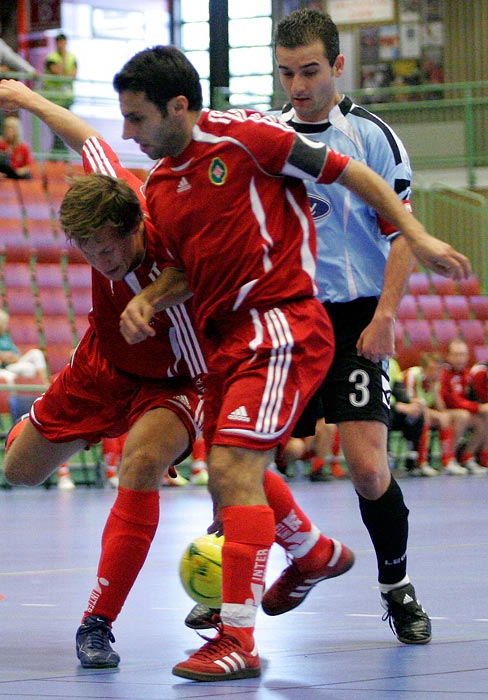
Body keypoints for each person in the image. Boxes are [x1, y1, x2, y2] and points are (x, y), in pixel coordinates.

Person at [114, 45, 468, 681]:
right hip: (227, 337)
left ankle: (240, 639)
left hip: (284, 324)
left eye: (136, 119)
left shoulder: (249, 138)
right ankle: (310, 553)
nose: (126, 133)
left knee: (245, 468)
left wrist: (415, 236)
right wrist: (149, 296)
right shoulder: (162, 189)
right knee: (229, 464)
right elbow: (183, 274)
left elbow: (351, 175)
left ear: (178, 107)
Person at [0, 79, 356, 675]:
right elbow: (85, 136)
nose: (100, 263)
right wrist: (27, 99)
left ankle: (97, 624)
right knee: (19, 470)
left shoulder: (169, 230)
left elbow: (192, 275)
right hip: (101, 365)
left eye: (108, 251)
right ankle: (309, 546)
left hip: (176, 380)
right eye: (87, 253)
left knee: (152, 464)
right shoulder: (115, 193)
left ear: (133, 229)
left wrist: (155, 299)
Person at [271, 8, 438, 645]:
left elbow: (400, 235)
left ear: (337, 66)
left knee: (368, 469)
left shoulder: (372, 138)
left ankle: (396, 589)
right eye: (286, 73)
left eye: (310, 71)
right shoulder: (271, 140)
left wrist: (386, 317)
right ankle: (237, 587)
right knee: (246, 455)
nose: (298, 85)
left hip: (359, 319)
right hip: (293, 318)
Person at [404, 351, 471, 475]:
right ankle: (422, 462)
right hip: (407, 412)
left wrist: (434, 389)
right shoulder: (413, 375)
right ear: (423, 368)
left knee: (456, 416)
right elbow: (409, 401)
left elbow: (441, 408)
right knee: (429, 417)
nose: (435, 373)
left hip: (426, 410)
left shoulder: (437, 379)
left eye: (438, 369)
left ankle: (448, 460)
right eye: (432, 369)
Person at [440, 338, 488, 472]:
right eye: (456, 355)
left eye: (463, 355)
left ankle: (468, 457)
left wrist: (481, 408)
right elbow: (451, 399)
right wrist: (477, 408)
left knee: (484, 418)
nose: (459, 359)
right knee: (463, 416)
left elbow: (474, 396)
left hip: (461, 410)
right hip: (443, 410)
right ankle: (448, 459)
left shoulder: (468, 374)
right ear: (448, 356)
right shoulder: (443, 372)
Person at [388, 356, 429, 475]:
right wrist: (396, 406)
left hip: (395, 408)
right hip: (382, 408)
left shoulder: (392, 363)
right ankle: (386, 454)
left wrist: (410, 404)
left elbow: (399, 390)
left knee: (416, 412)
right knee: (386, 414)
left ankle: (412, 456)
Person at [0, 308, 48, 384]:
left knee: (36, 353)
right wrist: (7, 356)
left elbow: (16, 352)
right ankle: (33, 389)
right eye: (4, 323)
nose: (6, 326)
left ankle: (44, 382)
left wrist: (11, 356)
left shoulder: (5, 336)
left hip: (15, 361)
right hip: (5, 367)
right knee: (29, 368)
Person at [43, 33, 77, 152]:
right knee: (56, 128)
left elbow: (73, 75)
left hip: (66, 99)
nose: (62, 45)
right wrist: (62, 62)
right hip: (53, 99)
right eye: (59, 42)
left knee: (65, 128)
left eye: (63, 42)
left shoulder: (72, 57)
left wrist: (66, 75)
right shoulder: (51, 58)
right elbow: (58, 72)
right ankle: (60, 154)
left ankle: (58, 154)